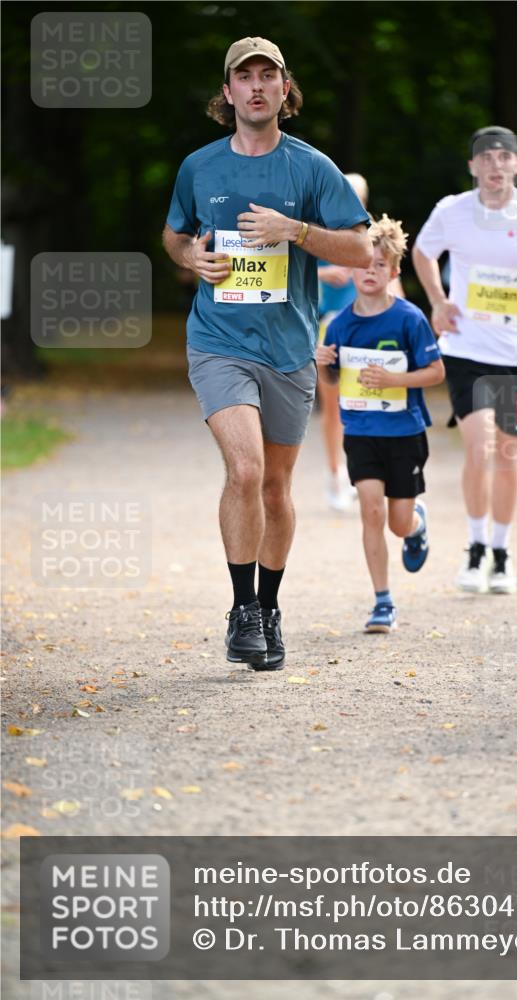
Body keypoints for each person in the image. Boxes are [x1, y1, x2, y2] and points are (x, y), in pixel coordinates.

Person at [162, 36, 371, 670]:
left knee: (277, 489)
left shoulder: (312, 168)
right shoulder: (199, 167)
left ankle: (270, 608)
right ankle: (242, 610)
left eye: (267, 76)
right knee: (247, 471)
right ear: (227, 92)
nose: (256, 86)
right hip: (218, 341)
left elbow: (362, 249)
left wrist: (296, 231)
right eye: (244, 76)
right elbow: (174, 236)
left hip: (288, 348)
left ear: (285, 89)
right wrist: (190, 257)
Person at [413, 127, 517, 594]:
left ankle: (502, 551)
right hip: (466, 349)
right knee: (480, 448)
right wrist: (438, 301)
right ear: (473, 167)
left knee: (509, 453)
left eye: (504, 157)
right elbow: (422, 252)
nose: (496, 165)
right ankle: (475, 547)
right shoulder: (452, 210)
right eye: (486, 158)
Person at [316, 216, 444, 632]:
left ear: (394, 272)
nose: (370, 271)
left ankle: (416, 523)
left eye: (380, 265)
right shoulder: (339, 325)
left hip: (404, 433)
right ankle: (382, 601)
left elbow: (436, 372)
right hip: (361, 432)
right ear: (350, 268)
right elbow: (331, 382)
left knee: (397, 522)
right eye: (363, 264)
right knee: (371, 511)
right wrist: (323, 364)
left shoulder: (409, 319)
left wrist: (394, 380)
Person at [317, 173, 405, 512]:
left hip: (371, 329)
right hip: (329, 325)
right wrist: (324, 274)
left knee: (370, 401)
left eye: (355, 196)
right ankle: (335, 475)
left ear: (364, 201)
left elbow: (393, 279)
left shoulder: (375, 236)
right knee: (334, 407)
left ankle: (367, 473)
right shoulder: (317, 232)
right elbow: (291, 272)